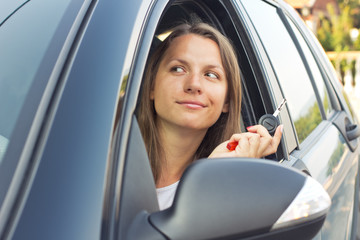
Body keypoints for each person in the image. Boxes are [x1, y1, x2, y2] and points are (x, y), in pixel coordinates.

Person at [137, 22, 283, 210]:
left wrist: (215, 179)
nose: (194, 84)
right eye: (178, 69)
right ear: (151, 87)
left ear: (227, 101)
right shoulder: (100, 162)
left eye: (211, 74)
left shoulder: (229, 183)